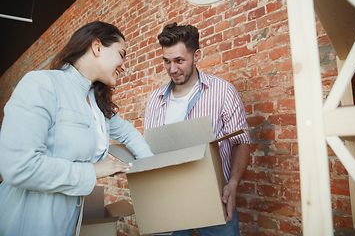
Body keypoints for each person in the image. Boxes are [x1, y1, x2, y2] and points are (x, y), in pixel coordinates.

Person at [0, 21, 153, 236]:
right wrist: (92, 171)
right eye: (121, 54)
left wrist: (154, 167)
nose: (124, 64)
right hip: (24, 222)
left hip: (67, 223)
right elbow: (18, 167)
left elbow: (128, 133)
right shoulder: (42, 84)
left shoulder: (98, 104)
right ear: (97, 47)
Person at [144, 22, 251, 236]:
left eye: (179, 60)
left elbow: (241, 141)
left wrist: (233, 184)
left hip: (214, 198)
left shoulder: (223, 91)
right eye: (166, 61)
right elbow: (150, 151)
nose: (172, 69)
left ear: (197, 56)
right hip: (169, 202)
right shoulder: (154, 100)